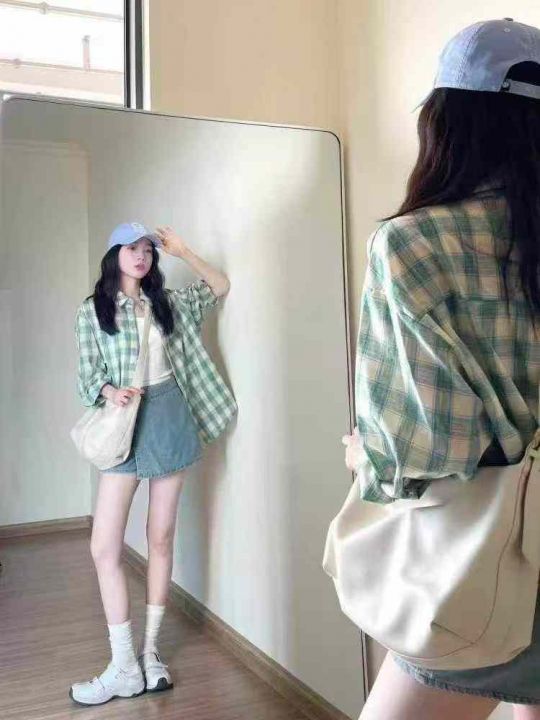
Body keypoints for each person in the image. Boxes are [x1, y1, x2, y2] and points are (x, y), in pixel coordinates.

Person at [341, 18, 540, 720]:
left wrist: (365, 455)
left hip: (478, 574)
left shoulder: (412, 244)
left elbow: (427, 451)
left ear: (446, 120)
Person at [69, 222, 237, 706]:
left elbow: (219, 285)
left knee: (160, 537)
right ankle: (123, 665)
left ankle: (150, 653)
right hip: (126, 422)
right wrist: (110, 391)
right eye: (131, 248)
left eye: (147, 249)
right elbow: (87, 376)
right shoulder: (93, 310)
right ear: (114, 254)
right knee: (105, 546)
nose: (141, 255)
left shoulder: (168, 303)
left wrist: (184, 250)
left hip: (168, 417)